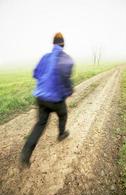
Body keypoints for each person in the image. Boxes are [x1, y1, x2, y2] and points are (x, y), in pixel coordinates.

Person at [20, 32, 74, 167]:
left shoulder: (45, 57)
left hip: (41, 97)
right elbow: (66, 80)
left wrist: (45, 80)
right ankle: (61, 134)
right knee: (63, 114)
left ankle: (25, 156)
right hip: (56, 99)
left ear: (53, 44)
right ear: (63, 44)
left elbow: (35, 73)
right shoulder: (67, 59)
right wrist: (69, 91)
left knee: (40, 125)